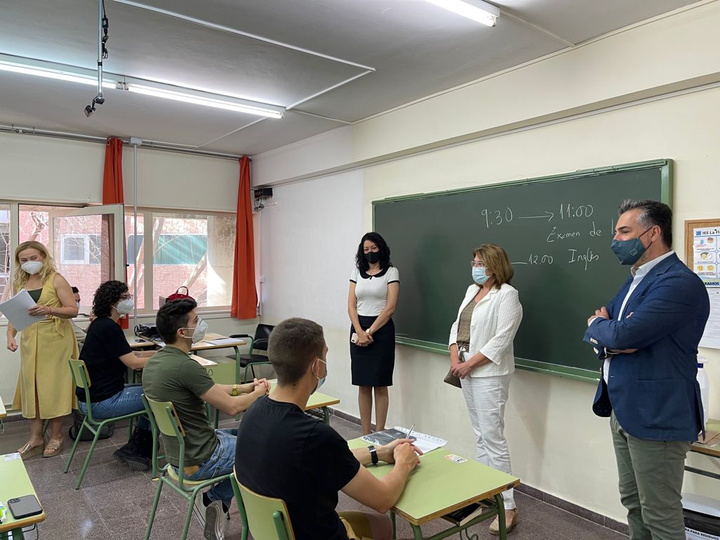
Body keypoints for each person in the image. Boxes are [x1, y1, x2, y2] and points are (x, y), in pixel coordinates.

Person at [584, 200, 710, 540]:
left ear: (652, 233)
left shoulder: (678, 282)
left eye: (624, 231)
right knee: (634, 502)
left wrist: (608, 330)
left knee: (659, 511)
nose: (616, 239)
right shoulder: (636, 280)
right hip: (624, 409)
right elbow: (601, 328)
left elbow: (623, 333)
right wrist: (604, 330)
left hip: (659, 416)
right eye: (616, 231)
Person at [236, 317, 420, 540]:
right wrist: (404, 463)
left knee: (380, 526)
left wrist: (377, 453)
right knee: (383, 521)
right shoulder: (315, 435)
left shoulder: (254, 411)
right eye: (325, 355)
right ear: (316, 366)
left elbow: (326, 459)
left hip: (278, 531)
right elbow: (383, 500)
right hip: (315, 533)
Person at [142, 298, 269, 540]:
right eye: (195, 321)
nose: (200, 325)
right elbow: (232, 409)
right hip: (201, 458)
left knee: (244, 436)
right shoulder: (186, 366)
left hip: (178, 456)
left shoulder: (156, 361)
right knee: (263, 448)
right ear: (182, 332)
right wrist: (258, 393)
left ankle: (218, 500)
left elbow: (207, 387)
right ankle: (216, 498)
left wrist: (243, 388)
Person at [448, 244, 522, 535]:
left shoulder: (507, 295)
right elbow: (457, 327)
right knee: (480, 435)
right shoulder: (471, 290)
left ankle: (508, 505)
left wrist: (470, 364)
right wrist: (456, 358)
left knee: (493, 438)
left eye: (480, 262)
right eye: (474, 261)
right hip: (465, 369)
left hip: (489, 373)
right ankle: (485, 494)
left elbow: (502, 339)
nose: (474, 266)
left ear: (494, 266)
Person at [7, 241, 79, 459]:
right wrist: (10, 334)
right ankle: (35, 438)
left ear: (43, 257)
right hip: (30, 341)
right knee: (33, 389)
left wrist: (49, 309)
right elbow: (15, 313)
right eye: (24, 260)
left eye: (33, 258)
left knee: (53, 388)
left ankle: (56, 436)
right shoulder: (20, 282)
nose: (29, 263)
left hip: (56, 341)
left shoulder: (56, 279)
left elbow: (72, 310)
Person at [78, 280, 156, 470]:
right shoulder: (109, 328)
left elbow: (132, 355)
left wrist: (159, 353)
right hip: (102, 403)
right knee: (158, 395)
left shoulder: (100, 324)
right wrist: (165, 359)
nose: (129, 300)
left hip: (90, 399)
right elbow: (134, 363)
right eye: (124, 297)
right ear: (112, 302)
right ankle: (140, 448)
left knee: (151, 391)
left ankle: (137, 444)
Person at [347, 232, 399, 434]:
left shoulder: (391, 272)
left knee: (380, 383)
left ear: (381, 248)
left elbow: (390, 307)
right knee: (363, 384)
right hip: (358, 327)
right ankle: (365, 432)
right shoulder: (356, 272)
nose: (370, 252)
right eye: (366, 249)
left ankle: (380, 431)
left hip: (381, 330)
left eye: (373, 248)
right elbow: (351, 306)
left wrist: (369, 331)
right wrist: (359, 331)